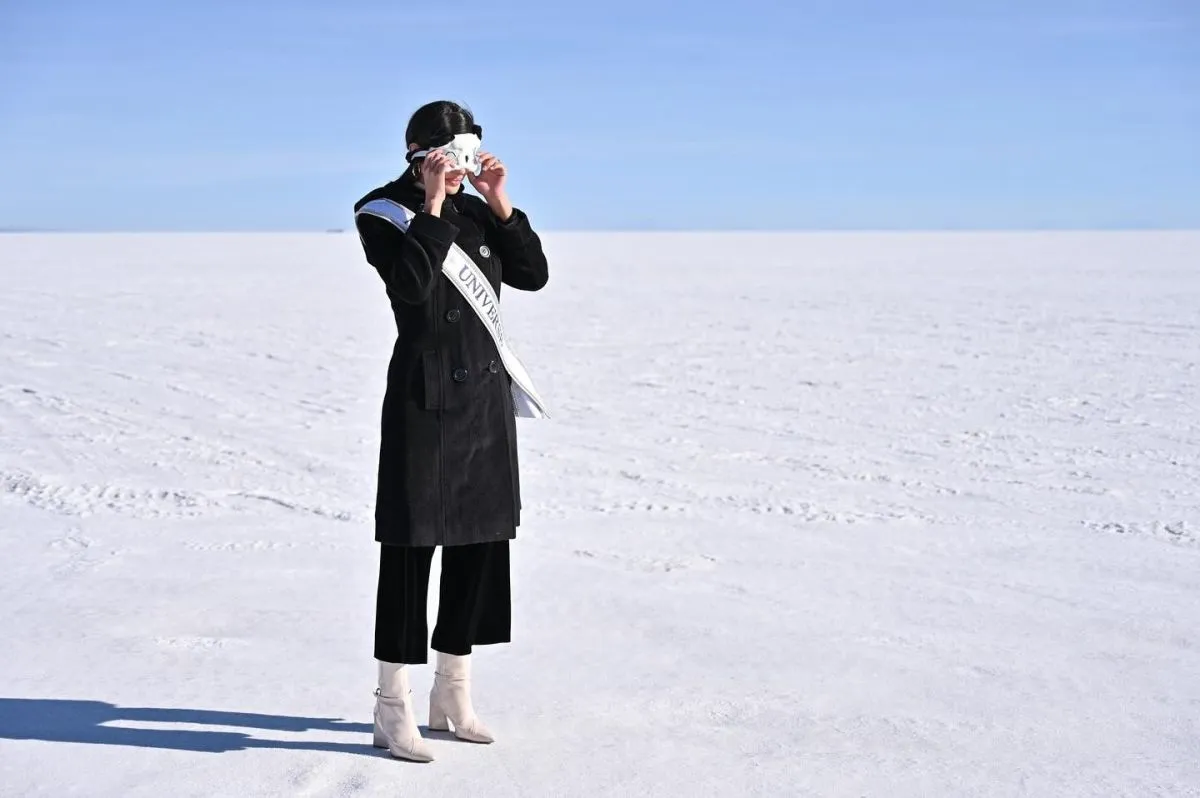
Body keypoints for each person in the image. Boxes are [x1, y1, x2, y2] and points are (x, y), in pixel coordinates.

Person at [352, 100, 549, 762]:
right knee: (409, 555)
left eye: (469, 155)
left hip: (483, 406)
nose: (462, 168)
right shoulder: (382, 212)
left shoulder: (477, 209)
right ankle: (392, 706)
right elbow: (410, 287)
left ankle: (451, 694)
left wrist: (499, 203)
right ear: (421, 155)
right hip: (425, 401)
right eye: (452, 157)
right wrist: (433, 207)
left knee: (477, 547)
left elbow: (533, 276)